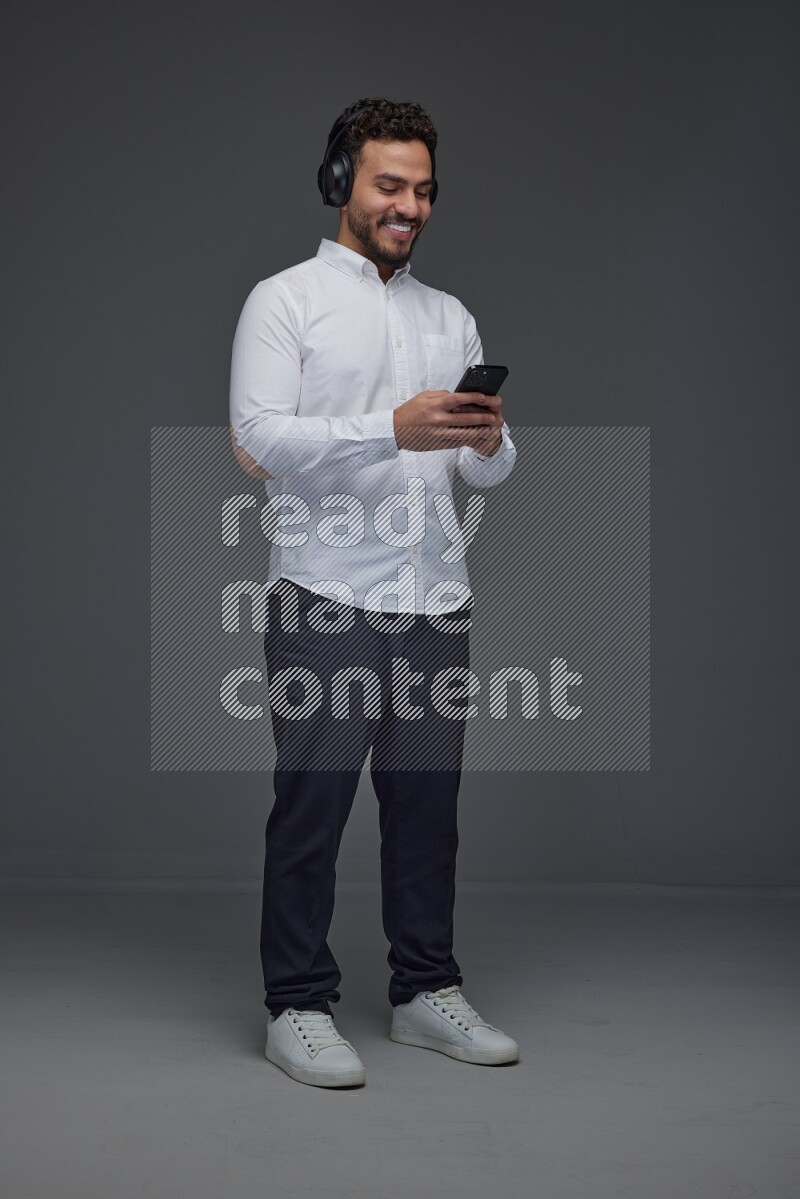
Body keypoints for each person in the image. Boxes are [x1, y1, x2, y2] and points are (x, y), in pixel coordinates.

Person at [229, 97, 520, 1088]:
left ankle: (421, 991)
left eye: (423, 189)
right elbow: (260, 439)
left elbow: (484, 471)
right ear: (341, 182)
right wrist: (384, 428)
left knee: (425, 807)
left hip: (433, 598)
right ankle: (296, 1003)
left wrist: (487, 439)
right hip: (323, 597)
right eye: (389, 184)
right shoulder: (285, 300)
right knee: (310, 804)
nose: (408, 204)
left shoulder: (449, 315)